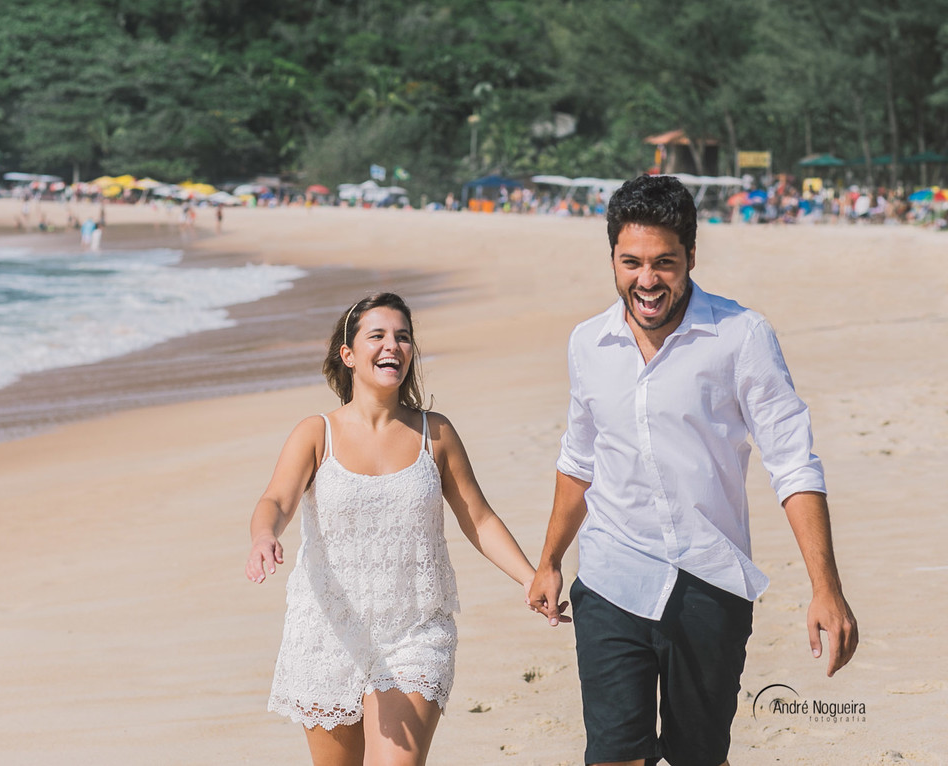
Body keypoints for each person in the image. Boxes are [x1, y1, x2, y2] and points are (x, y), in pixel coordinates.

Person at [527, 174, 858, 766]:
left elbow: (792, 463)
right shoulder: (587, 344)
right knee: (612, 755)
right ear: (612, 259)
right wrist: (550, 561)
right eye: (631, 262)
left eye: (664, 263)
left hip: (710, 580)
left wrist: (825, 588)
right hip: (611, 577)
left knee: (698, 757)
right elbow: (578, 462)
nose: (646, 280)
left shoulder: (741, 336)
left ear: (691, 258)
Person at [247, 292, 538, 766]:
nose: (393, 346)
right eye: (377, 335)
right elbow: (276, 500)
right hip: (328, 630)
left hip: (414, 631)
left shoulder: (435, 433)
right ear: (348, 355)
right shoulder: (316, 433)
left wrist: (530, 577)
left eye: (403, 337)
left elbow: (478, 518)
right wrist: (264, 536)